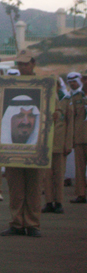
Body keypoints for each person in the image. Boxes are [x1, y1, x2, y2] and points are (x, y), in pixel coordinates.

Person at [0, 50, 44, 237]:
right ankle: (17, 223)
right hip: (12, 149)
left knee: (33, 188)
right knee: (16, 188)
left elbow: (52, 110)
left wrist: (54, 114)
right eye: (19, 64)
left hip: (36, 149)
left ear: (33, 64)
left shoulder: (45, 86)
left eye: (26, 63)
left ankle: (32, 224)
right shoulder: (8, 86)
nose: (22, 67)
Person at [42, 77, 73, 213]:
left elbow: (70, 122)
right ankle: (49, 201)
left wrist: (68, 143)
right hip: (46, 143)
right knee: (47, 175)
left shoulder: (66, 100)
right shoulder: (45, 99)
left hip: (60, 142)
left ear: (58, 86)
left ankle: (59, 202)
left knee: (59, 174)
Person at [68, 72, 87, 204]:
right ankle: (81, 194)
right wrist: (72, 138)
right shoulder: (76, 97)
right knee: (80, 168)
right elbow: (72, 119)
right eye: (84, 79)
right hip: (81, 137)